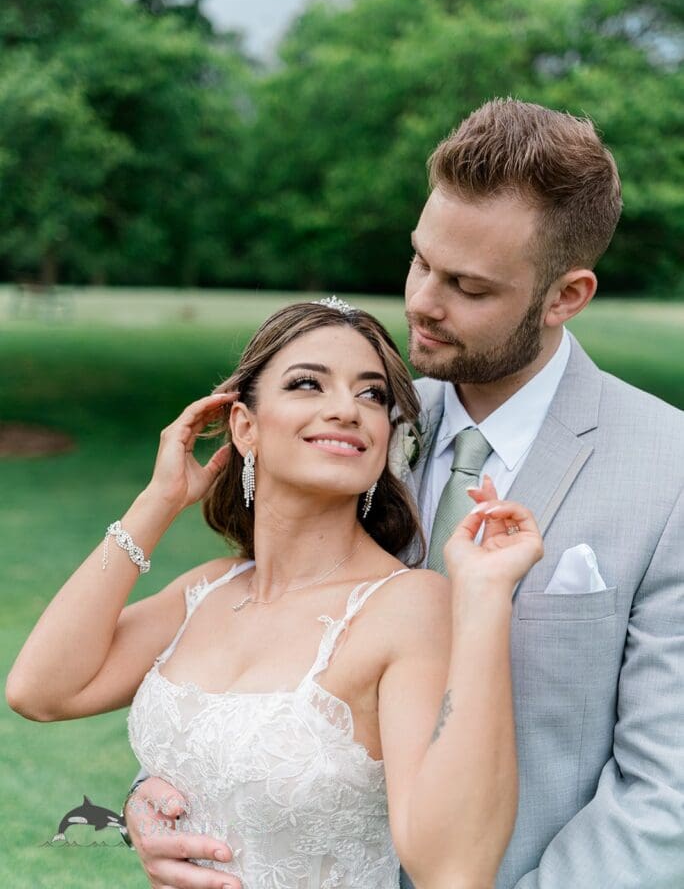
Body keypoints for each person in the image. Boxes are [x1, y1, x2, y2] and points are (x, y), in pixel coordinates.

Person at [123, 99, 684, 889]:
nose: (422, 300)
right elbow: (252, 669)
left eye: (468, 286)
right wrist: (163, 800)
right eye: (421, 261)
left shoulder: (671, 473)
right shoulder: (355, 434)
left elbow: (667, 800)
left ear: (566, 296)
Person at [6, 299, 544, 889]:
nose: (346, 409)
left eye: (371, 395)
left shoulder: (407, 607)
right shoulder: (209, 588)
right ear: (244, 426)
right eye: (308, 384)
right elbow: (41, 690)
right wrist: (157, 502)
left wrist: (486, 599)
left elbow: (452, 869)